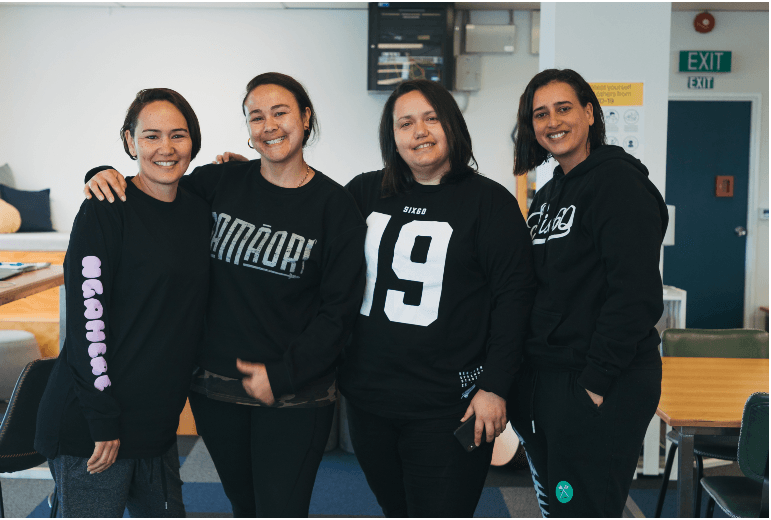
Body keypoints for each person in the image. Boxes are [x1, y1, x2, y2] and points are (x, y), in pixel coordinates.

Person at [82, 72, 367, 517]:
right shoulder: (220, 182)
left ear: (306, 118)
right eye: (257, 116)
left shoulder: (335, 206)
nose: (269, 125)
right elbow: (154, 185)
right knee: (244, 506)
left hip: (294, 395)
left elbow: (340, 310)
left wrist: (284, 375)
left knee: (280, 510)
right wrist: (101, 173)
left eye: (280, 112)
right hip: (215, 392)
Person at [338, 79, 536, 517]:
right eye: (405, 123)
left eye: (431, 118)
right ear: (392, 136)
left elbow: (514, 301)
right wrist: (258, 176)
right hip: (370, 400)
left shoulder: (490, 203)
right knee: (397, 510)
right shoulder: (363, 192)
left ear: (451, 125)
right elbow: (309, 222)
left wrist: (495, 387)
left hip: (451, 406)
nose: (419, 132)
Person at [34, 88, 210, 517]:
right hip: (94, 426)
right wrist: (102, 419)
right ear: (130, 142)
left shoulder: (199, 209)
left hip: (157, 424)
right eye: (151, 136)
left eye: (178, 135)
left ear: (193, 141)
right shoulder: (106, 208)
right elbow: (87, 322)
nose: (166, 148)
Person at [507, 68, 668, 517]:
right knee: (559, 505)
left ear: (590, 113)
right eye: (541, 114)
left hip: (599, 381)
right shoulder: (547, 195)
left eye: (564, 108)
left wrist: (594, 385)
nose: (553, 121)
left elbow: (634, 295)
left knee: (585, 508)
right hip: (550, 380)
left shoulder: (619, 184)